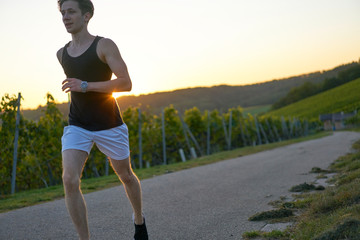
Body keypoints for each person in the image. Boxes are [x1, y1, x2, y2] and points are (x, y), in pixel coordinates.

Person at [56, 0, 148, 239]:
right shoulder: (62, 53)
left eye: (71, 12)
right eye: (63, 12)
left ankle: (139, 220)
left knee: (126, 176)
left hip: (109, 123)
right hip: (77, 124)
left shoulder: (104, 45)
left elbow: (126, 83)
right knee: (69, 178)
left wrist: (85, 86)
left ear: (86, 16)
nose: (65, 17)